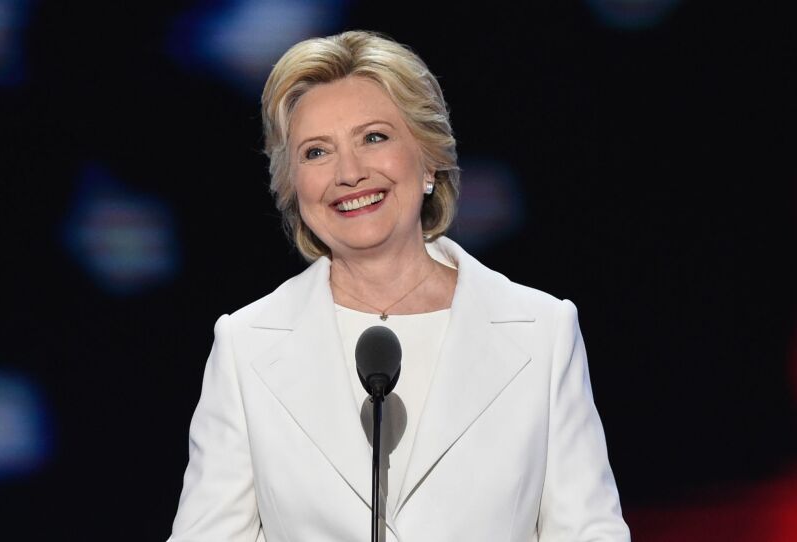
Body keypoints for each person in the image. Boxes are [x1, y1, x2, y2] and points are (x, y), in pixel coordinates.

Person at [168, 30, 630, 542]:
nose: (349, 173)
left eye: (374, 138)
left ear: (428, 159)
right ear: (293, 186)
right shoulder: (246, 345)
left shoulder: (542, 330)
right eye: (317, 152)